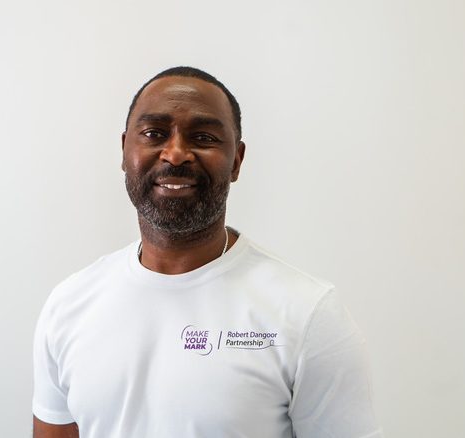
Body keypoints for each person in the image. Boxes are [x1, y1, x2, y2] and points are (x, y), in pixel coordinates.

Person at [32, 66, 382, 438]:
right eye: (154, 133)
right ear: (124, 150)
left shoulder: (306, 314)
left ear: (236, 160)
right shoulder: (68, 305)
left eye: (203, 137)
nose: (177, 153)